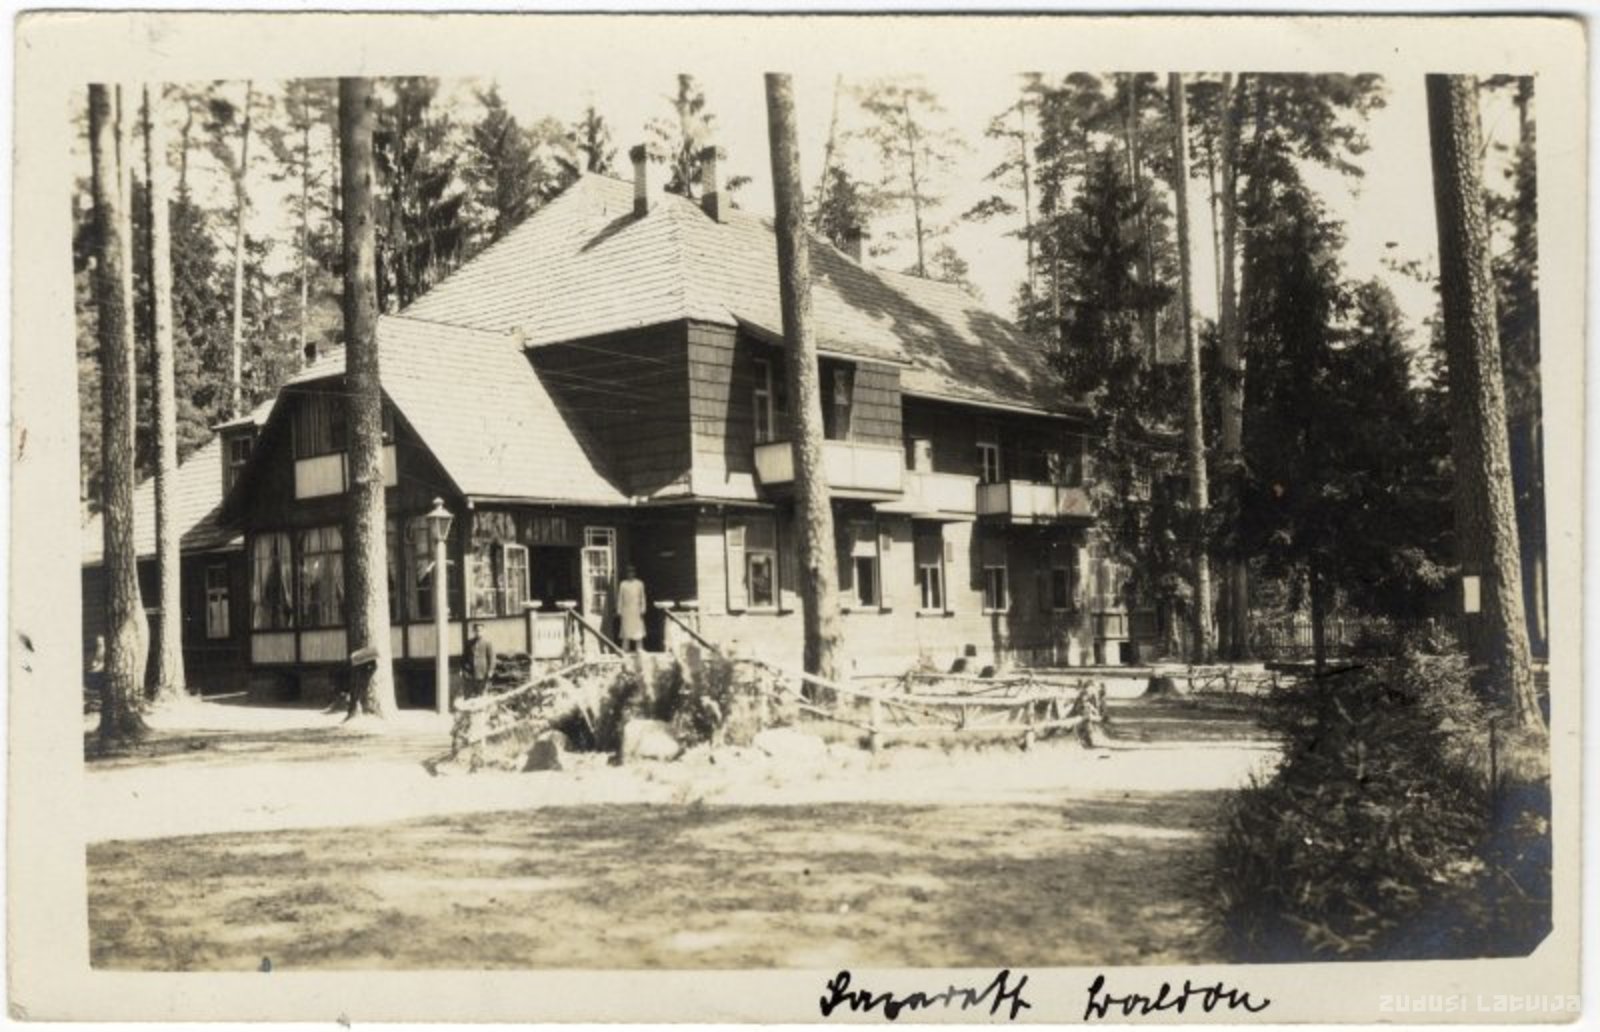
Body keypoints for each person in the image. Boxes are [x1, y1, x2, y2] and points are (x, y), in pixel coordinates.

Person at [617, 564, 648, 653]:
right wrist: (619, 610)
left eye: (632, 572)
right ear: (626, 574)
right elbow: (620, 598)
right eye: (628, 572)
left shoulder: (639, 584)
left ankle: (639, 648)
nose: (630, 574)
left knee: (638, 629)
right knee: (626, 629)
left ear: (634, 573)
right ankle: (625, 648)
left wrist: (643, 608)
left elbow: (642, 597)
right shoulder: (623, 584)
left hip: (636, 609)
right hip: (626, 610)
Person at [463, 622, 496, 700]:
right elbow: (464, 658)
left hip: (483, 673)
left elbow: (492, 658)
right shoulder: (469, 643)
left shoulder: (487, 643)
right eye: (476, 631)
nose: (478, 632)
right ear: (473, 631)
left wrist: (490, 670)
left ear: (484, 631)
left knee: (482, 693)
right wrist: (464, 670)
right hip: (471, 673)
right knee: (470, 695)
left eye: (480, 630)